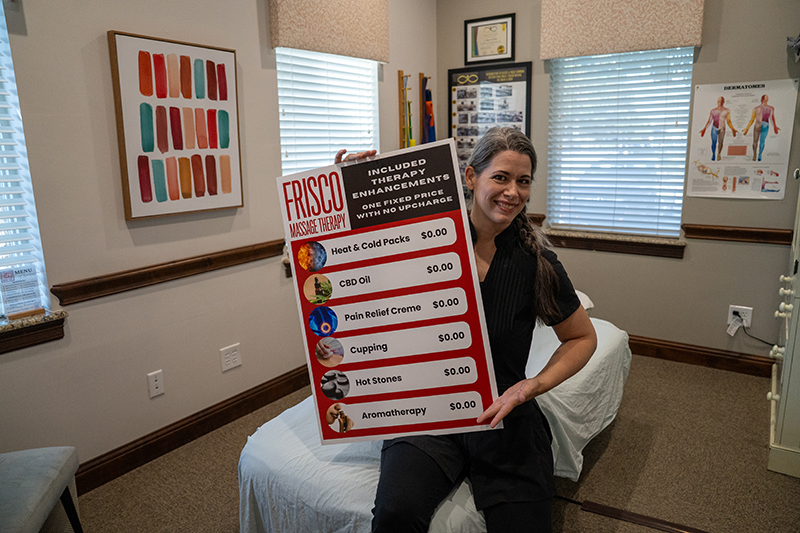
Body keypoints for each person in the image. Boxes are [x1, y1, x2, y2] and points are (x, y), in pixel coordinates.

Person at [363, 127, 597, 532]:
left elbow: (582, 337)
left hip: (503, 413)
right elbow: (358, 262)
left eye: (523, 182)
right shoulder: (427, 241)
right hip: (429, 411)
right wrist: (349, 183)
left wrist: (532, 386)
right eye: (501, 177)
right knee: (394, 515)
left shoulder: (536, 262)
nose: (512, 192)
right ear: (471, 178)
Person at [742, 95, 779, 162]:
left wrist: (775, 127)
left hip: (759, 124)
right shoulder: (769, 108)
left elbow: (752, 119)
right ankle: (758, 155)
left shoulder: (757, 108)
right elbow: (772, 118)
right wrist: (775, 127)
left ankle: (756, 154)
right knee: (761, 141)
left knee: (756, 141)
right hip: (764, 124)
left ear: (761, 100)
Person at [699, 96, 737, 161]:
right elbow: (709, 121)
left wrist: (732, 129)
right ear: (717, 102)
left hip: (722, 128)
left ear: (724, 102)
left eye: (722, 101)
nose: (720, 102)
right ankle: (713, 153)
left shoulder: (727, 110)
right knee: (714, 142)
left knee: (721, 142)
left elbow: (728, 121)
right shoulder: (713, 111)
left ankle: (719, 154)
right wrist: (704, 129)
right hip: (714, 128)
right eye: (719, 101)